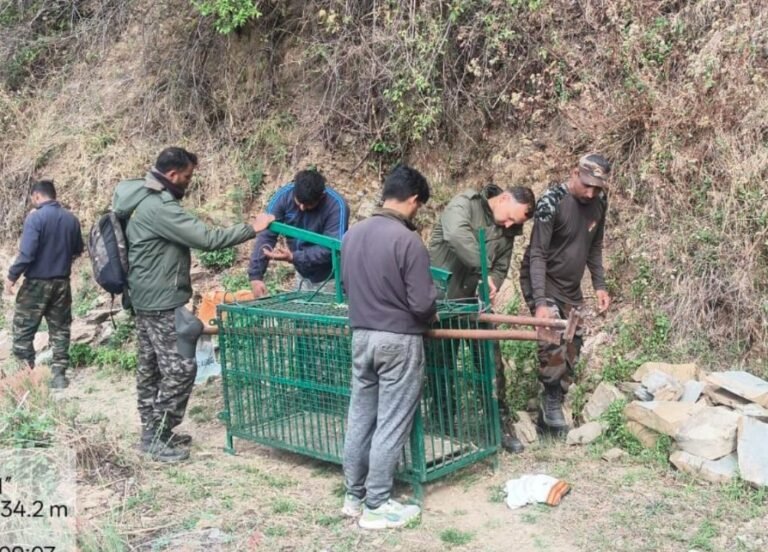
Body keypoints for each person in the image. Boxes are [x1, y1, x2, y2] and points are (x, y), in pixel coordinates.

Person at [112, 147, 274, 462]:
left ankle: (153, 432)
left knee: (150, 367)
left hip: (143, 297)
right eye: (187, 177)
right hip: (160, 300)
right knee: (182, 368)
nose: (188, 182)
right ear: (172, 175)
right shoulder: (160, 208)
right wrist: (252, 228)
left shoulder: (140, 198)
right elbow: (207, 239)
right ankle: (157, 435)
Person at [340, 165, 437, 530]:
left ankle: (353, 496)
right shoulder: (407, 241)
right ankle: (377, 504)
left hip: (361, 336)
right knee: (392, 422)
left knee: (360, 417)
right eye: (419, 206)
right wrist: (432, 312)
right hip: (398, 340)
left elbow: (346, 286)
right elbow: (422, 303)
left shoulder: (352, 235)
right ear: (413, 200)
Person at [429, 184, 535, 453]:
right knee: (440, 368)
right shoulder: (466, 204)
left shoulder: (508, 230)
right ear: (504, 198)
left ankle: (499, 427)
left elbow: (501, 266)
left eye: (515, 223)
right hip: (443, 302)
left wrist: (493, 283)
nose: (509, 225)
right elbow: (455, 235)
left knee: (491, 365)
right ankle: (442, 426)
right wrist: (484, 269)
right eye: (510, 217)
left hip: (476, 304)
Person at [519, 153, 612, 432]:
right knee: (552, 342)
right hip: (543, 280)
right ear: (574, 173)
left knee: (573, 344)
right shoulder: (552, 201)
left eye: (597, 188)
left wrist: (599, 285)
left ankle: (550, 407)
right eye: (587, 185)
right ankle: (551, 402)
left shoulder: (599, 203)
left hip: (571, 287)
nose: (591, 193)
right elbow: (537, 253)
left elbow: (594, 247)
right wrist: (540, 302)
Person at [5, 180, 83, 389]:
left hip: (36, 284)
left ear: (37, 196)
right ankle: (59, 376)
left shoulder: (35, 218)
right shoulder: (71, 219)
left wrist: (11, 276)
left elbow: (27, 254)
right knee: (60, 329)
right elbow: (78, 249)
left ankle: (26, 376)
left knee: (23, 329)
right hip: (62, 283)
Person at [248, 169, 348, 297]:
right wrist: (256, 276)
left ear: (321, 196)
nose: (302, 207)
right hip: (302, 274)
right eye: (298, 202)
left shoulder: (336, 206)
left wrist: (294, 257)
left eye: (308, 204)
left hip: (330, 277)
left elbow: (331, 248)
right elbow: (266, 234)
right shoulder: (284, 197)